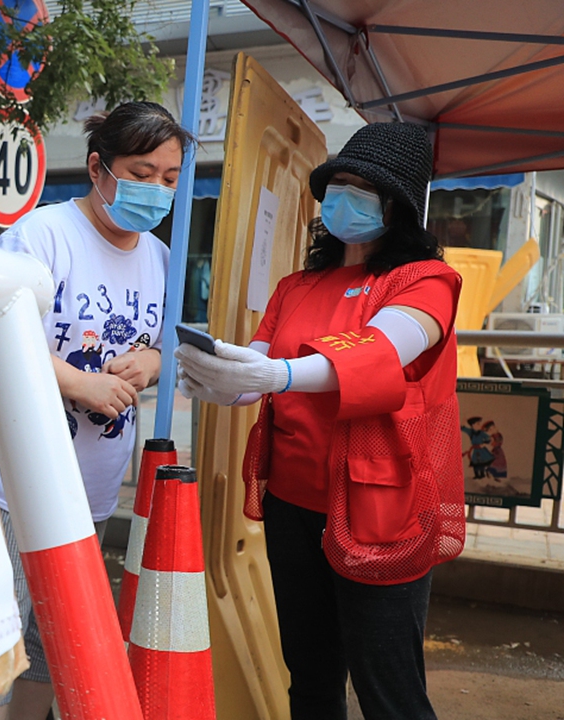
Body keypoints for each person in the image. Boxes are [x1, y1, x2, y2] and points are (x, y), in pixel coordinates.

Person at [175, 122, 465, 720]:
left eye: (363, 188)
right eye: (339, 184)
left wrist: (276, 375)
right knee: (309, 676)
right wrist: (222, 374)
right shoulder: (297, 285)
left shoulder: (425, 282)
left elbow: (381, 353)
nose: (343, 198)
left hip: (380, 509)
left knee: (391, 691)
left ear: (399, 207)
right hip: (292, 502)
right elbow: (260, 358)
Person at [0, 101, 194, 720]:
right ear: (99, 169)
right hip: (11, 484)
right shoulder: (40, 236)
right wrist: (81, 383)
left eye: (171, 177)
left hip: (89, 491)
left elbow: (162, 343)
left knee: (55, 644)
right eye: (143, 171)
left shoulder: (159, 259)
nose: (157, 189)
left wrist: (153, 363)